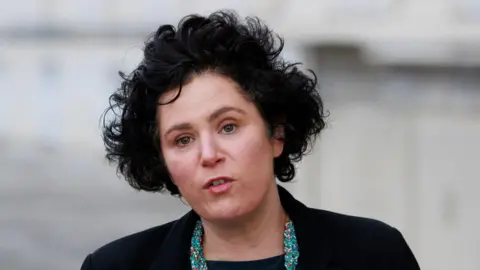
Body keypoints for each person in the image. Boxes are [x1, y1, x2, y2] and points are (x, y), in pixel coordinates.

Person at [81, 11, 420, 270]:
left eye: (228, 127)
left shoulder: (374, 254)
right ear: (163, 161)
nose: (209, 155)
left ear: (277, 132)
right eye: (183, 140)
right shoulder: (116, 266)